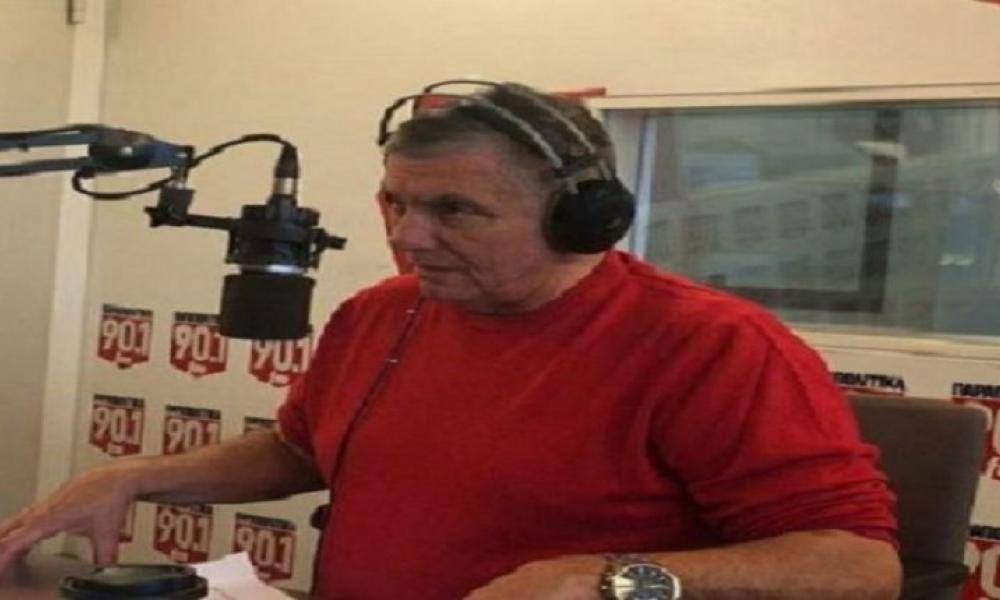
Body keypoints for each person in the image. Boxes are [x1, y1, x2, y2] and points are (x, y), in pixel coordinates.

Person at [0, 81, 900, 599]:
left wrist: (606, 579)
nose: (408, 235)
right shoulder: (382, 313)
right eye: (396, 202)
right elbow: (298, 450)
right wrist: (136, 476)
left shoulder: (710, 347)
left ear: (582, 219)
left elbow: (861, 566)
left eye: (454, 210)